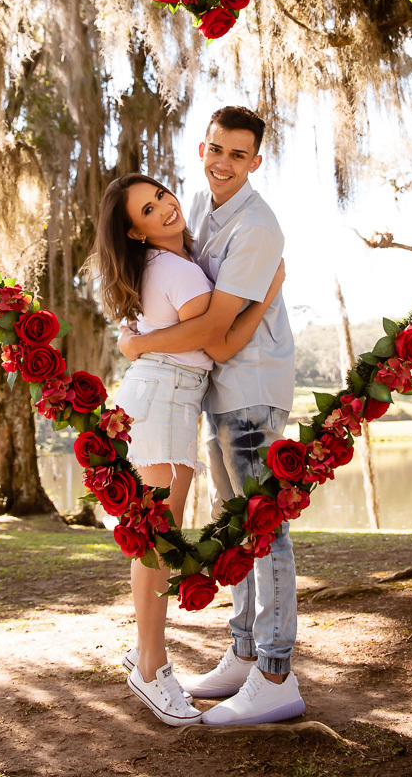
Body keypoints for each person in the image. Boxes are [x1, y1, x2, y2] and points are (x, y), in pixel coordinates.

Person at [118, 106, 303, 726]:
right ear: (203, 148)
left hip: (250, 386)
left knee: (264, 527)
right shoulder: (196, 205)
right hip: (214, 390)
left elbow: (217, 332)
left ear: (256, 161)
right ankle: (245, 653)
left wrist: (141, 344)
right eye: (216, 150)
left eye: (238, 155)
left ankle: (275, 673)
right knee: (237, 524)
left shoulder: (257, 226)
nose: (223, 163)